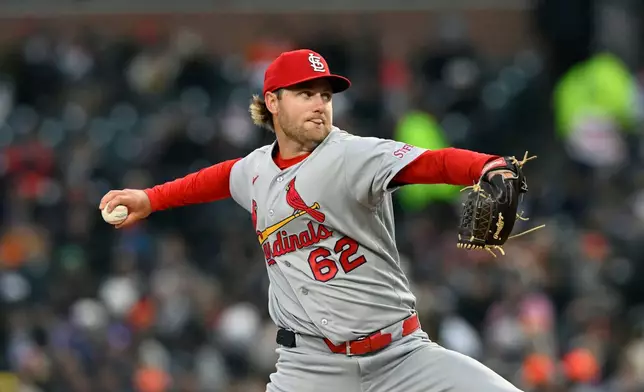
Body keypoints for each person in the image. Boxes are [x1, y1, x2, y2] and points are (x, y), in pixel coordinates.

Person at [100, 49, 524, 392]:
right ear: (272, 102)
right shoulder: (254, 171)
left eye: (325, 94)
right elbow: (214, 179)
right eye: (306, 93)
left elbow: (432, 163)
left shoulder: (353, 154)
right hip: (310, 369)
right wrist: (149, 198)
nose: (320, 104)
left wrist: (485, 166)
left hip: (403, 359)